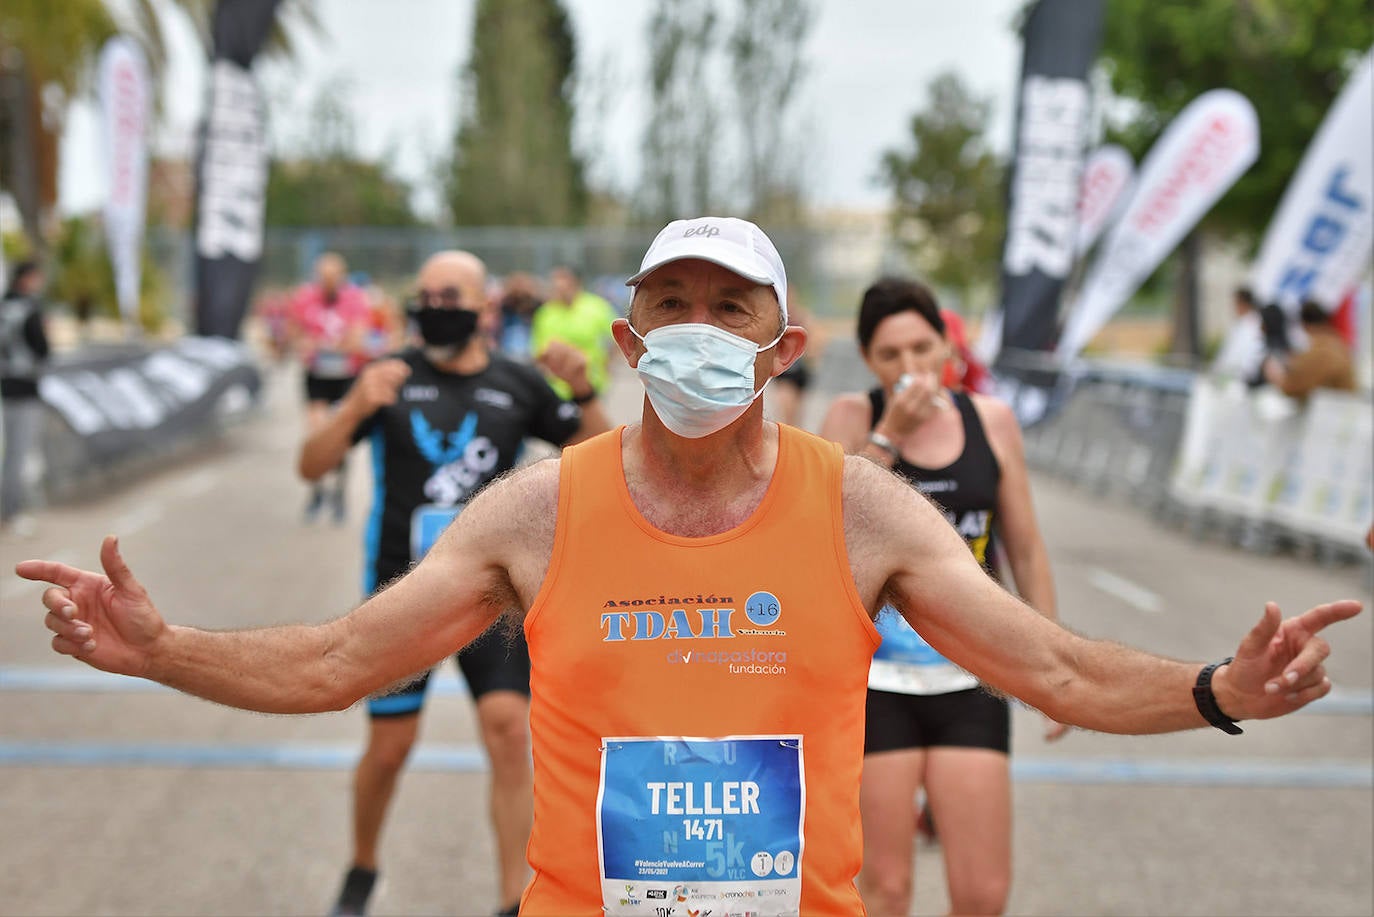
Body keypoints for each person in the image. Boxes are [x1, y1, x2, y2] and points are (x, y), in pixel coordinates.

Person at [15, 217, 1362, 917]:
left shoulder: (865, 513)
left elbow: (1050, 661)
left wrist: (1215, 687)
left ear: (783, 351)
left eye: (733, 310)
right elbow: (335, 660)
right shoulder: (536, 515)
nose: (700, 331)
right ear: (624, 338)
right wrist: (165, 646)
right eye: (674, 307)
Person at [299, 250, 611, 917]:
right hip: (399, 588)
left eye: (451, 296)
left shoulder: (518, 383)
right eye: (427, 295)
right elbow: (310, 463)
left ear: (483, 306)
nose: (436, 307)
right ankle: (361, 868)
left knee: (507, 728)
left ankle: (513, 898)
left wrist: (582, 391)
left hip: (491, 595)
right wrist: (354, 403)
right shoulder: (388, 378)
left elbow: (603, 460)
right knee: (390, 748)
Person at [819, 277, 1066, 916]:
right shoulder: (852, 418)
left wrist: (1054, 669)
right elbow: (827, 534)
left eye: (923, 348)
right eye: (891, 355)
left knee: (982, 892)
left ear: (948, 347)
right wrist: (891, 435)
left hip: (972, 677)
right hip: (876, 685)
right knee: (886, 890)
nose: (911, 368)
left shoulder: (991, 421)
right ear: (870, 361)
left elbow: (1025, 548)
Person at [288, 252, 373, 523]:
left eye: (333, 277)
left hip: (345, 375)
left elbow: (359, 339)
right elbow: (293, 332)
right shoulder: (305, 297)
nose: (328, 283)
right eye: (323, 277)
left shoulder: (355, 298)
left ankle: (339, 494)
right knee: (315, 430)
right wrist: (304, 343)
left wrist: (331, 345)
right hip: (317, 375)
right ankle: (316, 491)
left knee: (341, 435)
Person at [0, 260, 51, 538]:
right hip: (26, 388)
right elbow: (42, 348)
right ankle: (12, 512)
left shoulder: (3, 305)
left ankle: (10, 509)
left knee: (11, 456)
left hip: (6, 387)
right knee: (19, 454)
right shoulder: (29, 309)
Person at [529, 265, 618, 400]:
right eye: (555, 281)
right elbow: (538, 351)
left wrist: (607, 364)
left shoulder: (597, 307)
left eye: (563, 280)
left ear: (576, 282)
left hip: (591, 384)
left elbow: (616, 337)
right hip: (557, 390)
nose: (558, 285)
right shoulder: (545, 313)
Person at [1261, 300, 1357, 400]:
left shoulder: (1322, 350)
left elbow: (1291, 386)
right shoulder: (1335, 342)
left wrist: (1274, 374)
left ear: (1304, 325)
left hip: (1336, 410)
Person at [767, 289, 824, 427]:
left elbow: (816, 340)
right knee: (786, 402)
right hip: (786, 371)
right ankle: (790, 429)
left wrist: (810, 357)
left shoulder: (801, 317)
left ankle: (791, 430)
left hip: (797, 370)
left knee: (794, 406)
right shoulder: (777, 316)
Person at [1211, 287, 1266, 385]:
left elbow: (1237, 357)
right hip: (1231, 376)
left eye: (1236, 303)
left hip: (1239, 380)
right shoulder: (1241, 324)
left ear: (1243, 304)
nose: (1234, 307)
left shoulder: (1252, 325)